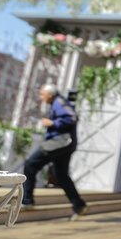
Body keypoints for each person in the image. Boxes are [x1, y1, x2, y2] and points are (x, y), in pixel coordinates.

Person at [21, 84, 87, 220]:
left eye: (42, 94)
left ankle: (27, 201)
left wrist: (53, 123)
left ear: (50, 94)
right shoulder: (58, 103)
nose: (41, 97)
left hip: (58, 142)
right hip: (65, 144)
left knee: (30, 164)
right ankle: (79, 205)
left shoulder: (59, 102)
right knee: (61, 175)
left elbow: (72, 117)